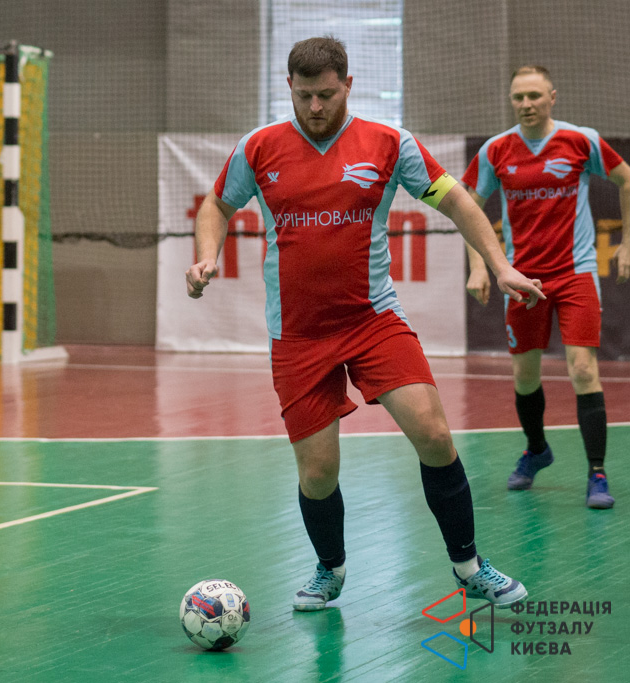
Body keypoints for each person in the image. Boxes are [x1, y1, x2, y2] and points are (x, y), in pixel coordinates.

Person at [186, 37, 543, 612]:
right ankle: (330, 568)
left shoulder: (389, 143)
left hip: (373, 319)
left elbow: (457, 200)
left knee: (434, 435)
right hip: (297, 334)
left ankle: (469, 565)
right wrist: (207, 256)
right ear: (289, 88)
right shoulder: (259, 146)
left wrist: (499, 266)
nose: (315, 107)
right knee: (318, 472)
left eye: (327, 95)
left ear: (348, 85)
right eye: (304, 95)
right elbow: (217, 205)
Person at [462, 65, 629, 510]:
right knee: (525, 376)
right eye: (519, 97)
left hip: (576, 272)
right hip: (522, 279)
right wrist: (479, 266)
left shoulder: (581, 140)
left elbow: (626, 178)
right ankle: (537, 450)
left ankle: (597, 472)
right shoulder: (496, 149)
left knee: (583, 370)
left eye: (534, 96)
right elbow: (467, 206)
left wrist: (628, 243)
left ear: (552, 97)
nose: (526, 104)